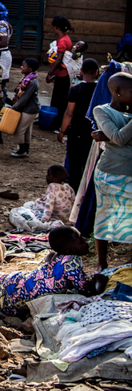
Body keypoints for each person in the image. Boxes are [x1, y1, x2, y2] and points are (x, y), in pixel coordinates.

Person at [0, 226, 106, 315]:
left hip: (14, 282)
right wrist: (100, 281)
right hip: (20, 300)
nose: (85, 240)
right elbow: (87, 291)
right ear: (69, 251)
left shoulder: (53, 256)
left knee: (11, 289)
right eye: (80, 240)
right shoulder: (72, 262)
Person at [90, 71, 132, 269]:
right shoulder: (102, 110)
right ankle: (102, 263)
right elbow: (119, 138)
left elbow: (116, 137)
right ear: (117, 91)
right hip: (110, 174)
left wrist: (108, 137)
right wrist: (112, 137)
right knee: (105, 216)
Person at [60, 58, 100, 190]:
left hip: (76, 131)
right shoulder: (100, 90)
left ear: (81, 70)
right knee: (90, 163)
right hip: (94, 132)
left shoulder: (75, 89)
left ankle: (75, 191)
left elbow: (69, 113)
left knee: (75, 165)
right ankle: (88, 191)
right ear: (96, 72)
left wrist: (62, 131)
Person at [9, 165, 76, 232]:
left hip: (54, 216)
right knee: (31, 204)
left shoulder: (52, 187)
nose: (46, 176)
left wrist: (44, 220)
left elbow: (49, 205)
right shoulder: (68, 187)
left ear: (55, 179)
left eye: (48, 175)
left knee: (25, 207)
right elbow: (74, 202)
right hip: (66, 219)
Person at [9, 57, 41, 158]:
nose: (21, 67)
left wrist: (14, 107)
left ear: (30, 69)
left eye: (23, 66)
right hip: (28, 108)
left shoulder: (32, 82)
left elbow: (25, 98)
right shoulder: (27, 79)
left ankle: (22, 150)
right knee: (26, 130)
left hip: (30, 109)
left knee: (20, 129)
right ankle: (25, 150)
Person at [46, 16, 74, 131]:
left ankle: (57, 124)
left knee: (59, 100)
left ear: (57, 28)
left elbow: (59, 59)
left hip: (62, 74)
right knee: (61, 99)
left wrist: (50, 72)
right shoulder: (65, 38)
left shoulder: (62, 41)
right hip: (63, 73)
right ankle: (57, 123)